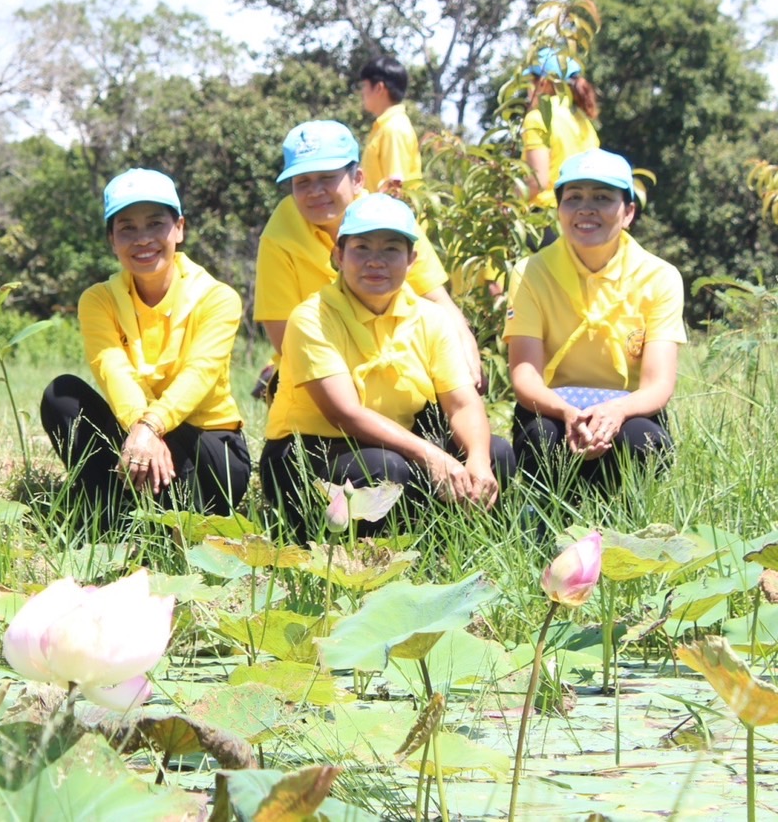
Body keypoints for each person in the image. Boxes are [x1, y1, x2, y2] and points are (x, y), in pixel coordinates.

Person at [259, 194, 510, 540]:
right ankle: (355, 554)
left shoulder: (432, 318)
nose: (375, 262)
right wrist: (432, 456)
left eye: (391, 250)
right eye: (362, 248)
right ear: (338, 255)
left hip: (397, 448)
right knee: (385, 469)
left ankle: (453, 546)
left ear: (411, 260)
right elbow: (345, 414)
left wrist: (478, 460)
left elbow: (463, 402)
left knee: (496, 453)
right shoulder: (311, 318)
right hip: (309, 454)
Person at [40, 169, 250, 529]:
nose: (143, 239)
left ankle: (166, 517)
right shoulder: (99, 300)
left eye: (155, 224)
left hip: (208, 443)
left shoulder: (217, 297)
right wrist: (143, 430)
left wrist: (152, 426)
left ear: (179, 228)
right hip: (136, 430)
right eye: (127, 228)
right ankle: (107, 516)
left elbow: (198, 376)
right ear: (112, 239)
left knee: (179, 437)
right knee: (61, 395)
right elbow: (113, 371)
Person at [254, 120, 482, 394]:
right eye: (302, 182)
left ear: (358, 179)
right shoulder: (280, 235)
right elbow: (283, 337)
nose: (315, 192)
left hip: (401, 367)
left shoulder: (391, 218)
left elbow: (437, 299)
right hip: (321, 371)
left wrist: (466, 349)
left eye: (327, 178)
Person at [505, 150, 683, 493]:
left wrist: (616, 411)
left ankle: (628, 525)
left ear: (628, 212)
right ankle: (545, 525)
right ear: (559, 210)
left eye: (602, 197)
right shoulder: (530, 273)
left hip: (630, 409)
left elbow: (658, 385)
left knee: (643, 440)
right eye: (574, 198)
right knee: (542, 436)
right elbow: (525, 376)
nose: (586, 208)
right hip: (552, 409)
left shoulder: (661, 277)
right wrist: (568, 412)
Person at [521, 49, 600, 209]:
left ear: (542, 83)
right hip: (579, 216)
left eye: (529, 83)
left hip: (544, 216)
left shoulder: (538, 118)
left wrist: (503, 202)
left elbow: (537, 182)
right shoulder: (583, 120)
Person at [358, 56, 422, 195]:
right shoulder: (385, 126)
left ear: (379, 88)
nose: (362, 92)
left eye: (364, 86)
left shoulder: (393, 129)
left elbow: (395, 189)